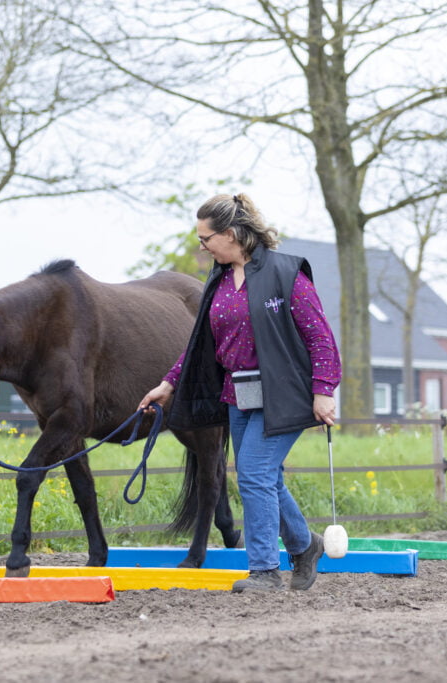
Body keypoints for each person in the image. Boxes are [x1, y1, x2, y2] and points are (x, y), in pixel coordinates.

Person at [138, 193, 341, 593]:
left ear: (230, 234)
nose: (202, 247)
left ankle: (265, 570)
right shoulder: (219, 280)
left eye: (206, 238)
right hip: (238, 394)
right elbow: (201, 343)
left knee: (254, 474)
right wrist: (169, 383)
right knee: (265, 477)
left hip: (284, 393)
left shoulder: (286, 274)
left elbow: (320, 337)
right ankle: (305, 545)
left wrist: (324, 390)